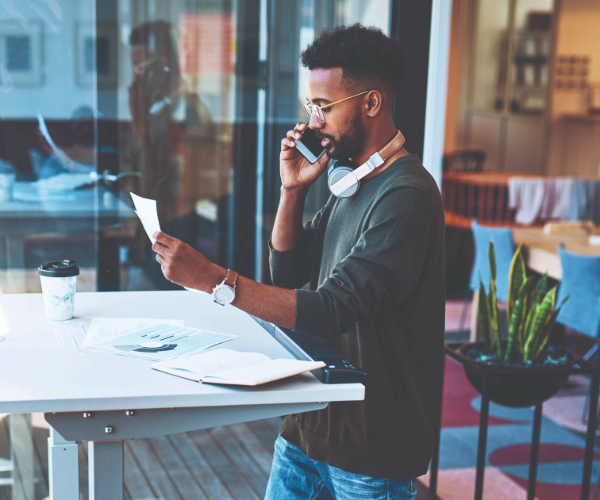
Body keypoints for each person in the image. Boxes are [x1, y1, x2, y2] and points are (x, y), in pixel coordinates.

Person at [152, 24, 445, 500]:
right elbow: (289, 274)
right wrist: (293, 191)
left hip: (370, 451)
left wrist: (214, 281)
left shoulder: (405, 195)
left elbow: (332, 307)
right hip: (308, 427)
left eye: (323, 106)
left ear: (370, 103)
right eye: (310, 106)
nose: (312, 122)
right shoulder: (350, 182)